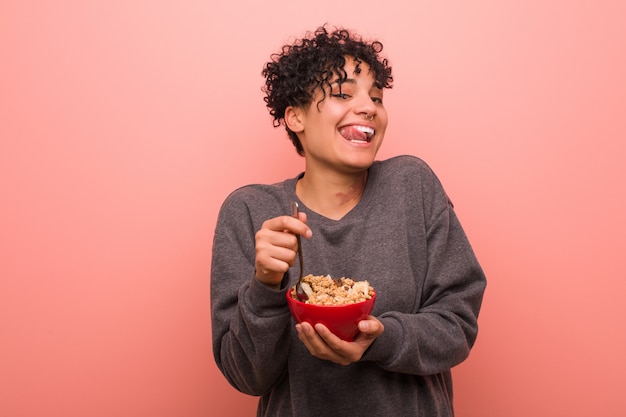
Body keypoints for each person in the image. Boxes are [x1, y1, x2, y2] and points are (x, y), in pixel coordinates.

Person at [210, 25, 486, 417]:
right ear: (295, 117)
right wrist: (265, 286)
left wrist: (381, 339)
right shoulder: (250, 212)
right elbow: (246, 376)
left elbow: (457, 326)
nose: (369, 107)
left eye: (376, 97)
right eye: (343, 93)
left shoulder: (413, 186)